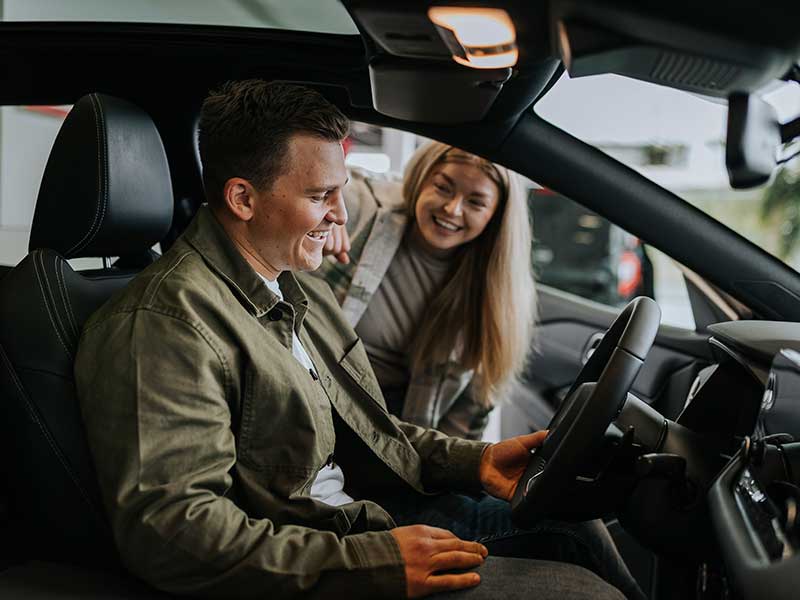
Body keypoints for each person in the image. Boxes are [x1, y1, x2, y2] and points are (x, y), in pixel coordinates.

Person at [75, 79, 632, 599]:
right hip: (326, 551)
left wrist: (475, 461)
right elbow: (171, 531)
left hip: (365, 518)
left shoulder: (295, 288)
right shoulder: (168, 323)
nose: (340, 216)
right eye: (321, 196)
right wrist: (373, 562)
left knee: (570, 518)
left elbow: (368, 427)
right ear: (243, 199)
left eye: (340, 192)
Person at [316, 142, 534, 440]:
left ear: (495, 216)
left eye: (475, 202)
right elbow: (308, 182)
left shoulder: (494, 296)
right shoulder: (363, 210)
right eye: (443, 188)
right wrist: (324, 204)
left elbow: (466, 424)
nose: (452, 209)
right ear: (421, 179)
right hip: (318, 398)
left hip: (398, 435)